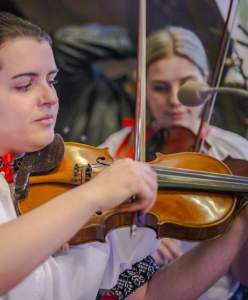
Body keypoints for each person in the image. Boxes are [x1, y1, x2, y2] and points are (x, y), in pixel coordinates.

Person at [0, 12, 248, 300]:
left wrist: (238, 227)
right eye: (25, 84)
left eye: (51, 80)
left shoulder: (73, 174)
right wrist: (90, 197)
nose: (50, 98)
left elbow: (146, 295)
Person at [100, 26, 248, 300]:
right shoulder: (115, 150)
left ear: (206, 81)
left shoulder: (237, 153)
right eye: (159, 88)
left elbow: (244, 275)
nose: (175, 100)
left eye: (187, 85)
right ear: (139, 86)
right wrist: (136, 244)